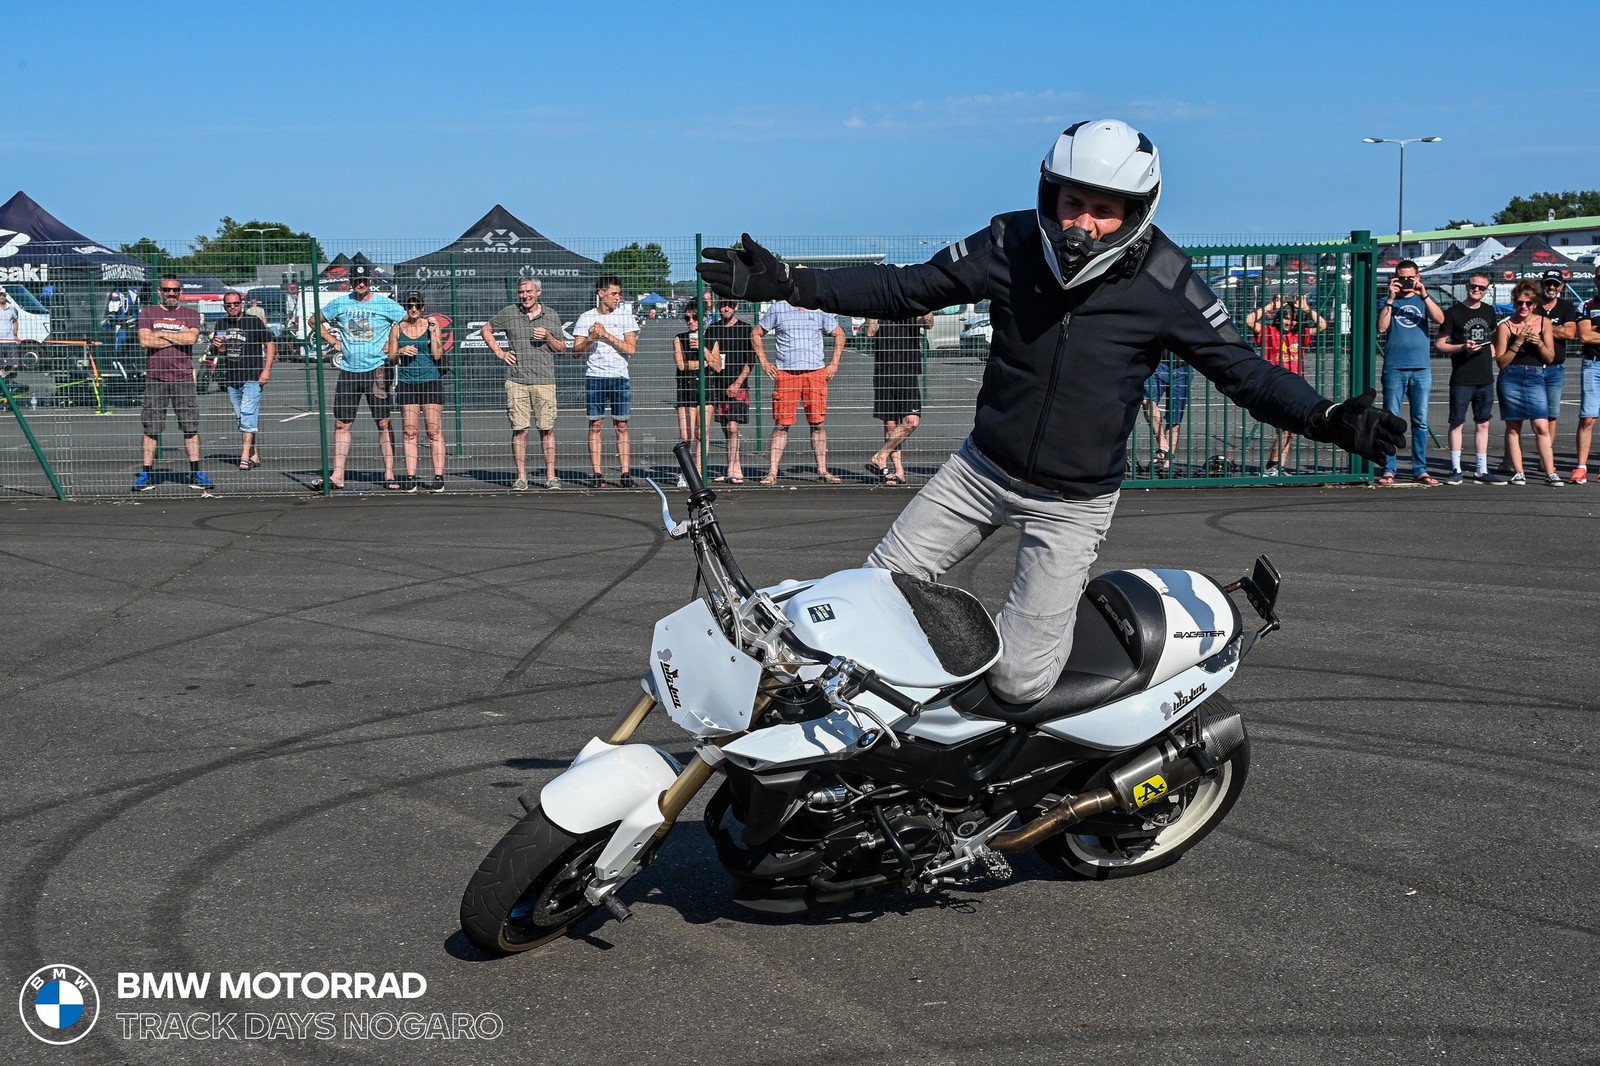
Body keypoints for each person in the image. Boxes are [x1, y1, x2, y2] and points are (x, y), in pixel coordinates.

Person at [699, 118, 1403, 705]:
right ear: (1048, 193)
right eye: (1072, 203)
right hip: (979, 472)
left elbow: (1242, 371)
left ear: (1136, 212)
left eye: (1104, 210)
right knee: (865, 610)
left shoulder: (1167, 281)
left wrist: (1325, 416)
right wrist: (790, 282)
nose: (1084, 224)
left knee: (1019, 680)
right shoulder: (1008, 242)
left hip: (1072, 503)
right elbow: (906, 289)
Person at [316, 262, 406, 490]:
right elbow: (315, 321)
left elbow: (406, 323)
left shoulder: (385, 304)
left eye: (364, 280)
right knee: (342, 423)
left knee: (383, 422)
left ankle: (389, 473)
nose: (361, 284)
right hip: (349, 371)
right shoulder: (341, 303)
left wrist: (392, 345)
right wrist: (333, 341)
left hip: (378, 370)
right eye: (357, 281)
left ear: (370, 281)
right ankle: (338, 474)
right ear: (351, 283)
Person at [481, 278, 568, 490]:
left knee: (546, 428)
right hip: (516, 380)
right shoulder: (510, 312)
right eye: (521, 292)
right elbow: (486, 329)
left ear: (539, 292)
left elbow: (562, 348)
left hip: (544, 380)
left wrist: (548, 336)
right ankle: (521, 477)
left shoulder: (551, 315)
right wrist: (499, 352)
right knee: (520, 429)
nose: (525, 296)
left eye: (529, 291)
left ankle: (551, 476)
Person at [750, 299, 847, 484]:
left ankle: (822, 470)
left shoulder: (819, 307)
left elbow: (839, 334)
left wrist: (834, 363)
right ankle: (772, 472)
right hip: (787, 373)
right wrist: (764, 361)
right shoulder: (779, 308)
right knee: (781, 424)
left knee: (818, 423)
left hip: (815, 373)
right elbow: (756, 333)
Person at [132, 274, 212, 493]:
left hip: (183, 377)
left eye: (175, 290)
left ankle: (196, 471)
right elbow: (144, 340)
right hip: (155, 377)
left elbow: (191, 339)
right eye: (167, 290)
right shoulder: (148, 313)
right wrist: (176, 334)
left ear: (180, 292)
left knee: (190, 426)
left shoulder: (190, 314)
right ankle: (146, 473)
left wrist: (163, 333)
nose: (171, 294)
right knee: (151, 428)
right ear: (160, 291)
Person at [1376, 259, 1445, 485]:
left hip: (1421, 368)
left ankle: (1420, 468)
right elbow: (1382, 327)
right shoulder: (1388, 301)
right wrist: (1390, 299)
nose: (1406, 282)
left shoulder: (1423, 299)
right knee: (1390, 420)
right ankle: (1389, 468)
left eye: (1410, 277)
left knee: (1420, 421)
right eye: (1402, 277)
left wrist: (1424, 294)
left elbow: (1440, 319)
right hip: (1395, 368)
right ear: (1395, 278)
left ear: (1417, 277)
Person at [1434, 272, 1503, 485]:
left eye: (1482, 288)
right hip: (1462, 378)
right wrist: (1462, 347)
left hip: (1485, 378)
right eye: (1474, 286)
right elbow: (1440, 344)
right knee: (1457, 423)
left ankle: (1481, 469)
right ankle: (1456, 468)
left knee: (1483, 423)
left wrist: (1492, 351)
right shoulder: (1453, 312)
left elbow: (1492, 335)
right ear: (1467, 286)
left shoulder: (1489, 311)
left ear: (1487, 290)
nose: (1477, 290)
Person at [573, 275, 639, 487]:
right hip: (595, 376)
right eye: (613, 294)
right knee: (596, 425)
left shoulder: (626, 317)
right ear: (601, 294)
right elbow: (576, 352)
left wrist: (607, 334)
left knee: (621, 424)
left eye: (618, 293)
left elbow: (631, 349)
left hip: (619, 376)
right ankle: (597, 474)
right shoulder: (586, 318)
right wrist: (592, 337)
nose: (617, 298)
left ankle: (625, 474)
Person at [1247, 295, 1325, 476]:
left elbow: (1322, 325)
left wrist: (1306, 308)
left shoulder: (1300, 334)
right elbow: (1250, 320)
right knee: (1286, 428)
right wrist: (1270, 306)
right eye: (1286, 317)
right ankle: (1272, 467)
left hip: (1296, 385)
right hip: (1276, 384)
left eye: (1293, 319)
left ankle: (1276, 467)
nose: (1289, 322)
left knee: (1289, 429)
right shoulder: (1269, 332)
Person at [1494, 279, 1558, 486]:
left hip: (1535, 375)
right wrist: (1518, 342)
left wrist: (1538, 343)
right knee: (1513, 427)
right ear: (1514, 303)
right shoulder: (1505, 326)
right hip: (1511, 376)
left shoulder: (1544, 323)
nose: (1523, 307)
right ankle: (1519, 471)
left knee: (1541, 425)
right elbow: (1501, 362)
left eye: (1528, 303)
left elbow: (1550, 358)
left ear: (1534, 304)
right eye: (1520, 303)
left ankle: (1550, 472)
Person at [209, 290, 276, 470]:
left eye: (235, 304)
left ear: (242, 304)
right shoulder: (221, 323)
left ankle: (244, 455)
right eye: (228, 304)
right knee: (241, 418)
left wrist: (266, 370)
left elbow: (269, 345)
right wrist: (216, 345)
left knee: (247, 414)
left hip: (252, 377)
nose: (232, 307)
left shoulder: (253, 322)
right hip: (232, 378)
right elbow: (218, 351)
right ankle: (254, 454)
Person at [863, 313, 933, 485]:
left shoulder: (913, 303)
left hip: (908, 371)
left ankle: (881, 455)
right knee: (890, 425)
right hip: (884, 371)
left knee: (911, 421)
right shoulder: (881, 304)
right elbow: (870, 332)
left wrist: (925, 305)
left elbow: (928, 324)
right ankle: (897, 471)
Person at [388, 292, 447, 493]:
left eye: (417, 306)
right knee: (410, 431)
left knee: (434, 431)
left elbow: (438, 355)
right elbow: (391, 358)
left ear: (423, 307)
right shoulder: (397, 328)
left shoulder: (431, 326)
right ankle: (411, 477)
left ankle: (439, 476)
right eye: (410, 306)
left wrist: (433, 333)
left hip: (430, 380)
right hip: (407, 382)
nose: (413, 309)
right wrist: (401, 352)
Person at [702, 296, 755, 483]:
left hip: (737, 385)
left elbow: (750, 361)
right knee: (725, 426)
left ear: (736, 306)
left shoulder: (745, 329)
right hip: (717, 384)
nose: (726, 308)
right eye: (723, 304)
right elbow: (706, 355)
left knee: (733, 427)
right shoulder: (713, 329)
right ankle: (733, 464)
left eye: (730, 305)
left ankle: (734, 466)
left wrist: (738, 383)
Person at [673, 305, 719, 484]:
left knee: (702, 433)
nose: (691, 321)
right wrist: (705, 363)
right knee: (686, 436)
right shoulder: (679, 338)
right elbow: (682, 365)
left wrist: (703, 349)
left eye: (695, 317)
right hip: (686, 390)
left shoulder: (711, 338)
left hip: (706, 389)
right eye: (687, 318)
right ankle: (685, 472)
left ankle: (699, 472)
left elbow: (717, 366)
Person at [1535, 269, 1580, 446]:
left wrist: (1543, 329)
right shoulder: (1532, 304)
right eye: (1548, 283)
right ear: (1542, 284)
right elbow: (1525, 327)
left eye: (1555, 283)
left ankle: (1546, 455)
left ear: (1561, 286)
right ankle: (1512, 457)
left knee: (1551, 414)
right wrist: (1556, 328)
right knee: (1528, 414)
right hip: (1533, 366)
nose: (1551, 287)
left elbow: (1569, 333)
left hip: (1555, 368)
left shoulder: (1566, 306)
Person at [1138, 357, 1191, 477]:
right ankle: (1163, 445)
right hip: (1158, 363)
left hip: (1182, 366)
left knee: (1174, 420)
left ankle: (1167, 461)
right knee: (1148, 402)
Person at [1574, 291, 1600, 485]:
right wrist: (1591, 333)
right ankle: (1581, 467)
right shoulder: (1587, 305)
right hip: (1593, 364)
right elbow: (1585, 336)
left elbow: (1593, 334)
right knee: (1588, 418)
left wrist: (1596, 331)